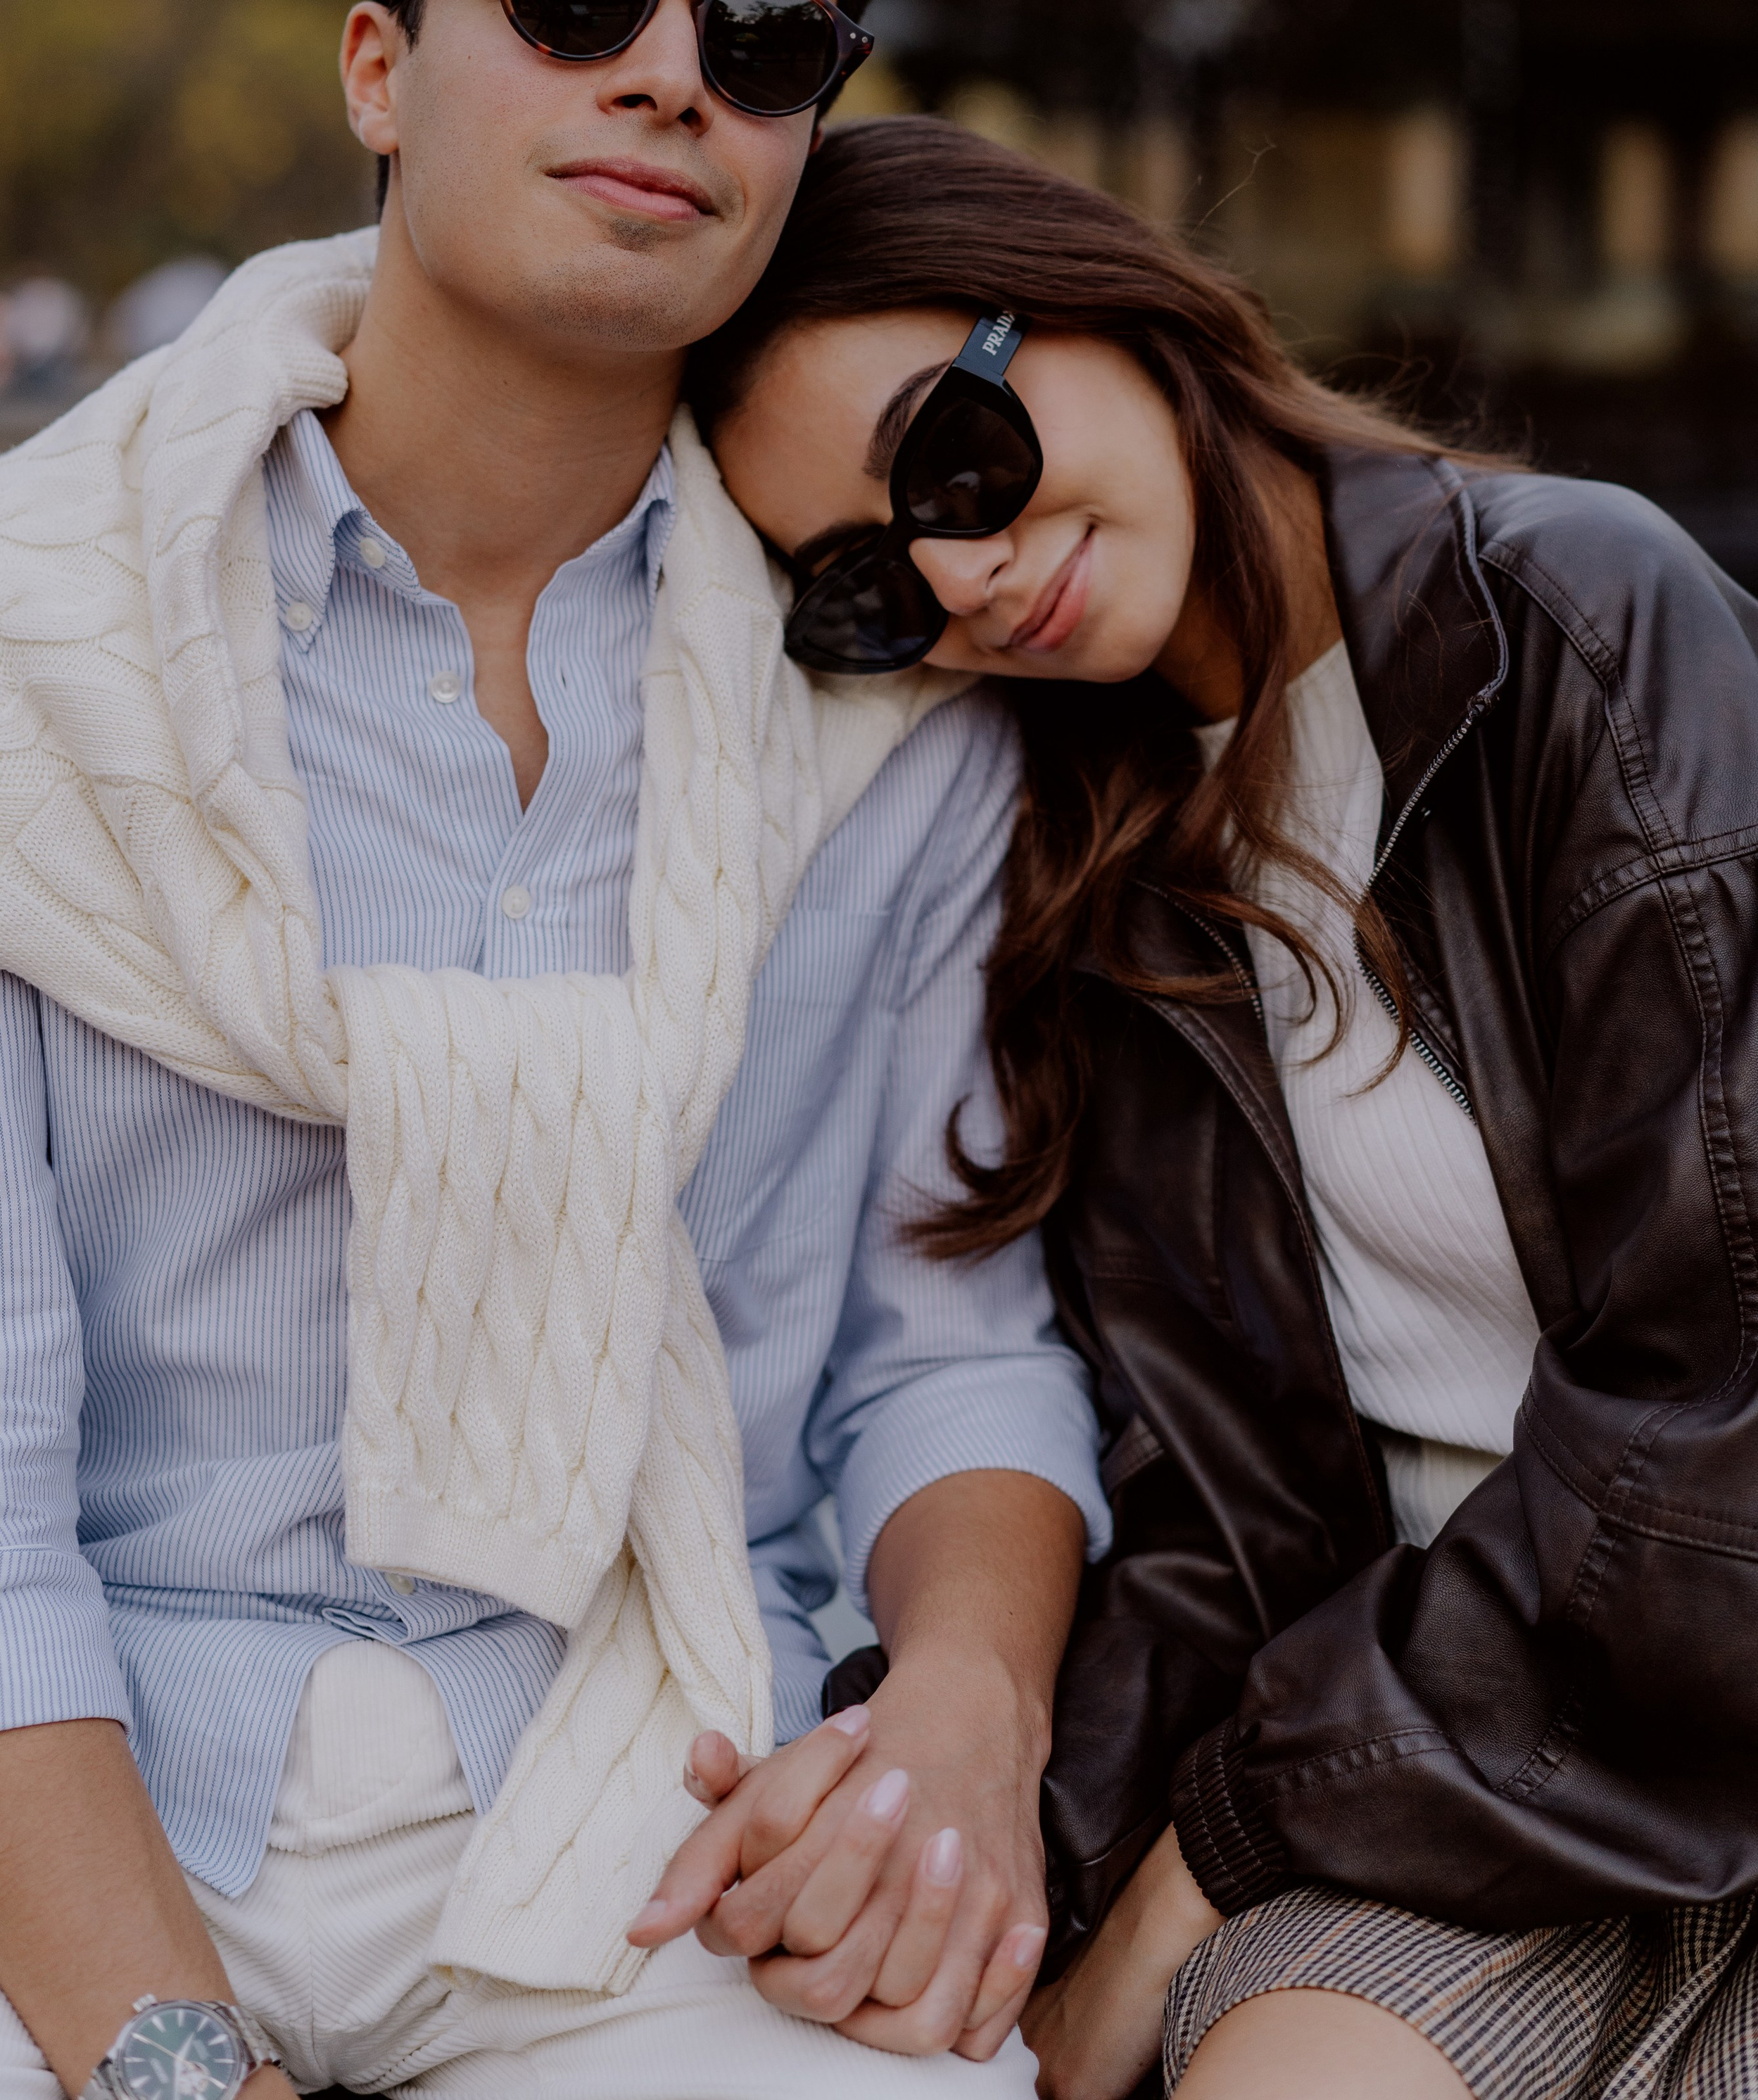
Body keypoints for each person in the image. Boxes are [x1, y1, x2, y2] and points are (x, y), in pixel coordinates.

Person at [0, 0, 1111, 2100]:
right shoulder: (11, 658)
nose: (672, 74)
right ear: (382, 68)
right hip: (69, 1797)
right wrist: (169, 2061)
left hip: (645, 1793)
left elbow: (944, 1344)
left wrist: (968, 1709)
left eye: (764, 41)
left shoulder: (884, 717)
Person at [693, 113, 1758, 2100]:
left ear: (1093, 300)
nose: (962, 571)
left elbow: (1724, 1406)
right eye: (862, 586)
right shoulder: (1082, 865)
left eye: (951, 457)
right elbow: (1211, 1507)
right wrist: (956, 1832)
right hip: (1451, 1796)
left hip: (1646, 1703)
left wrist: (1212, 1857)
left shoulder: (1570, 626)